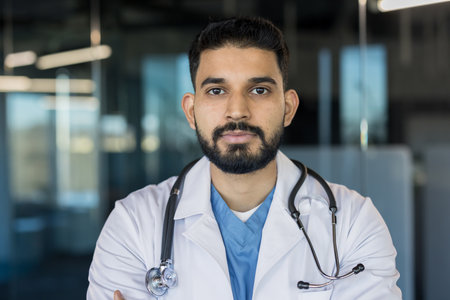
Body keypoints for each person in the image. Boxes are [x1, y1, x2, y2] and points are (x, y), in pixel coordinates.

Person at [87, 17, 402, 300]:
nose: (237, 110)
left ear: (288, 108)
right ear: (190, 111)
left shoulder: (352, 223)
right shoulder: (133, 224)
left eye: (260, 90)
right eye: (216, 91)